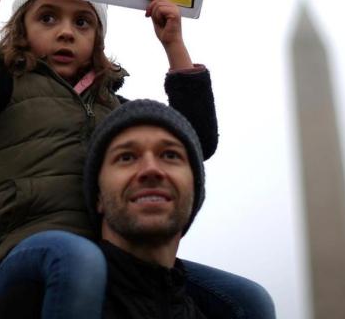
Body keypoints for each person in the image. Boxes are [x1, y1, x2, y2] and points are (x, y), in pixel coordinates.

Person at [0, 0, 217, 318]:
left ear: (97, 40)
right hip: (24, 253)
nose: (66, 31)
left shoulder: (114, 108)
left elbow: (195, 141)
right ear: (21, 28)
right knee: (76, 258)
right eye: (47, 17)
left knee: (244, 299)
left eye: (82, 22)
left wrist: (174, 46)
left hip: (114, 262)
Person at [83, 99, 276, 318]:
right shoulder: (46, 300)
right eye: (126, 157)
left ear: (195, 191)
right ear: (97, 195)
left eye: (170, 155)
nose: (151, 170)